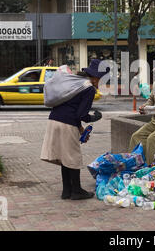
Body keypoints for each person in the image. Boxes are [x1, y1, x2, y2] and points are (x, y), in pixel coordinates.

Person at [40, 59, 108, 200]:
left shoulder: (76, 83)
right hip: (67, 124)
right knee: (73, 157)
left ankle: (66, 191)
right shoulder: (89, 89)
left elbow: (73, 111)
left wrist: (81, 129)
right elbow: (81, 114)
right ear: (96, 77)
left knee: (65, 157)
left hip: (54, 121)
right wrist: (94, 117)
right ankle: (76, 191)